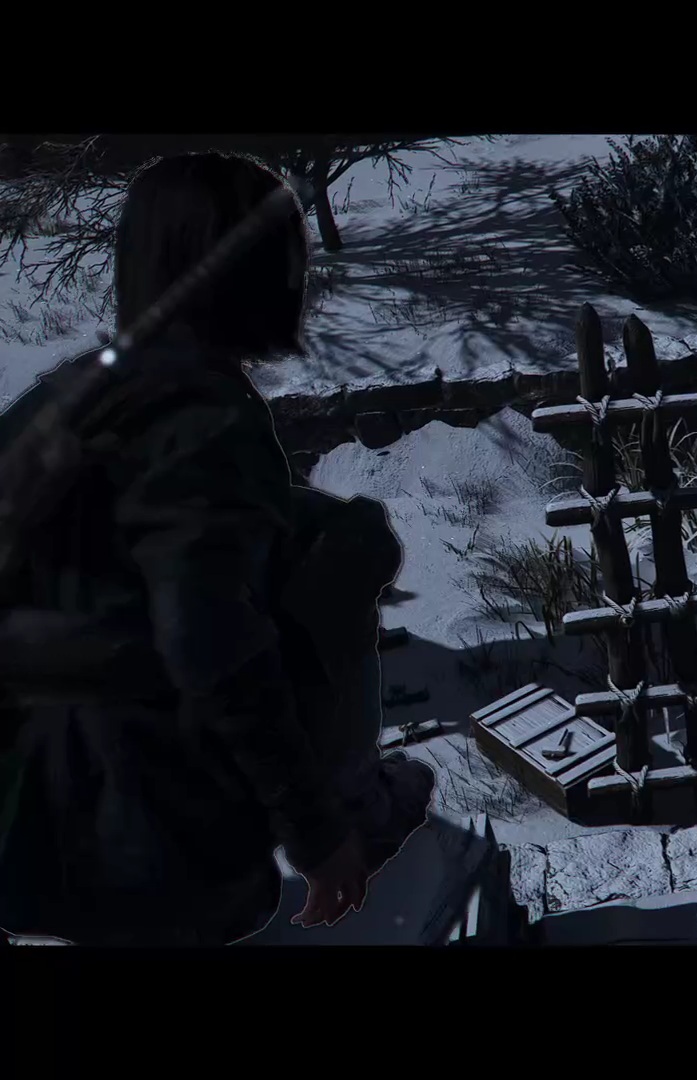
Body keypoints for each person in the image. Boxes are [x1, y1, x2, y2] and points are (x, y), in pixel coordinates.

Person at [0, 152, 432, 946]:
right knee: (346, 557)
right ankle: (352, 802)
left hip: (32, 801)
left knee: (334, 536)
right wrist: (317, 836)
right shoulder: (206, 420)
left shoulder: (78, 392)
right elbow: (209, 645)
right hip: (131, 833)